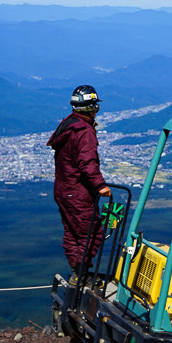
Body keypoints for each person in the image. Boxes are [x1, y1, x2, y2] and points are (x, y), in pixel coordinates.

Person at [47, 85, 111, 279]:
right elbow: (87, 162)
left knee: (72, 232)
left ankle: (76, 271)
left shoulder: (68, 124)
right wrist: (100, 185)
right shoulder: (84, 130)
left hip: (62, 189)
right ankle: (80, 275)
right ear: (92, 108)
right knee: (91, 233)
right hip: (78, 191)